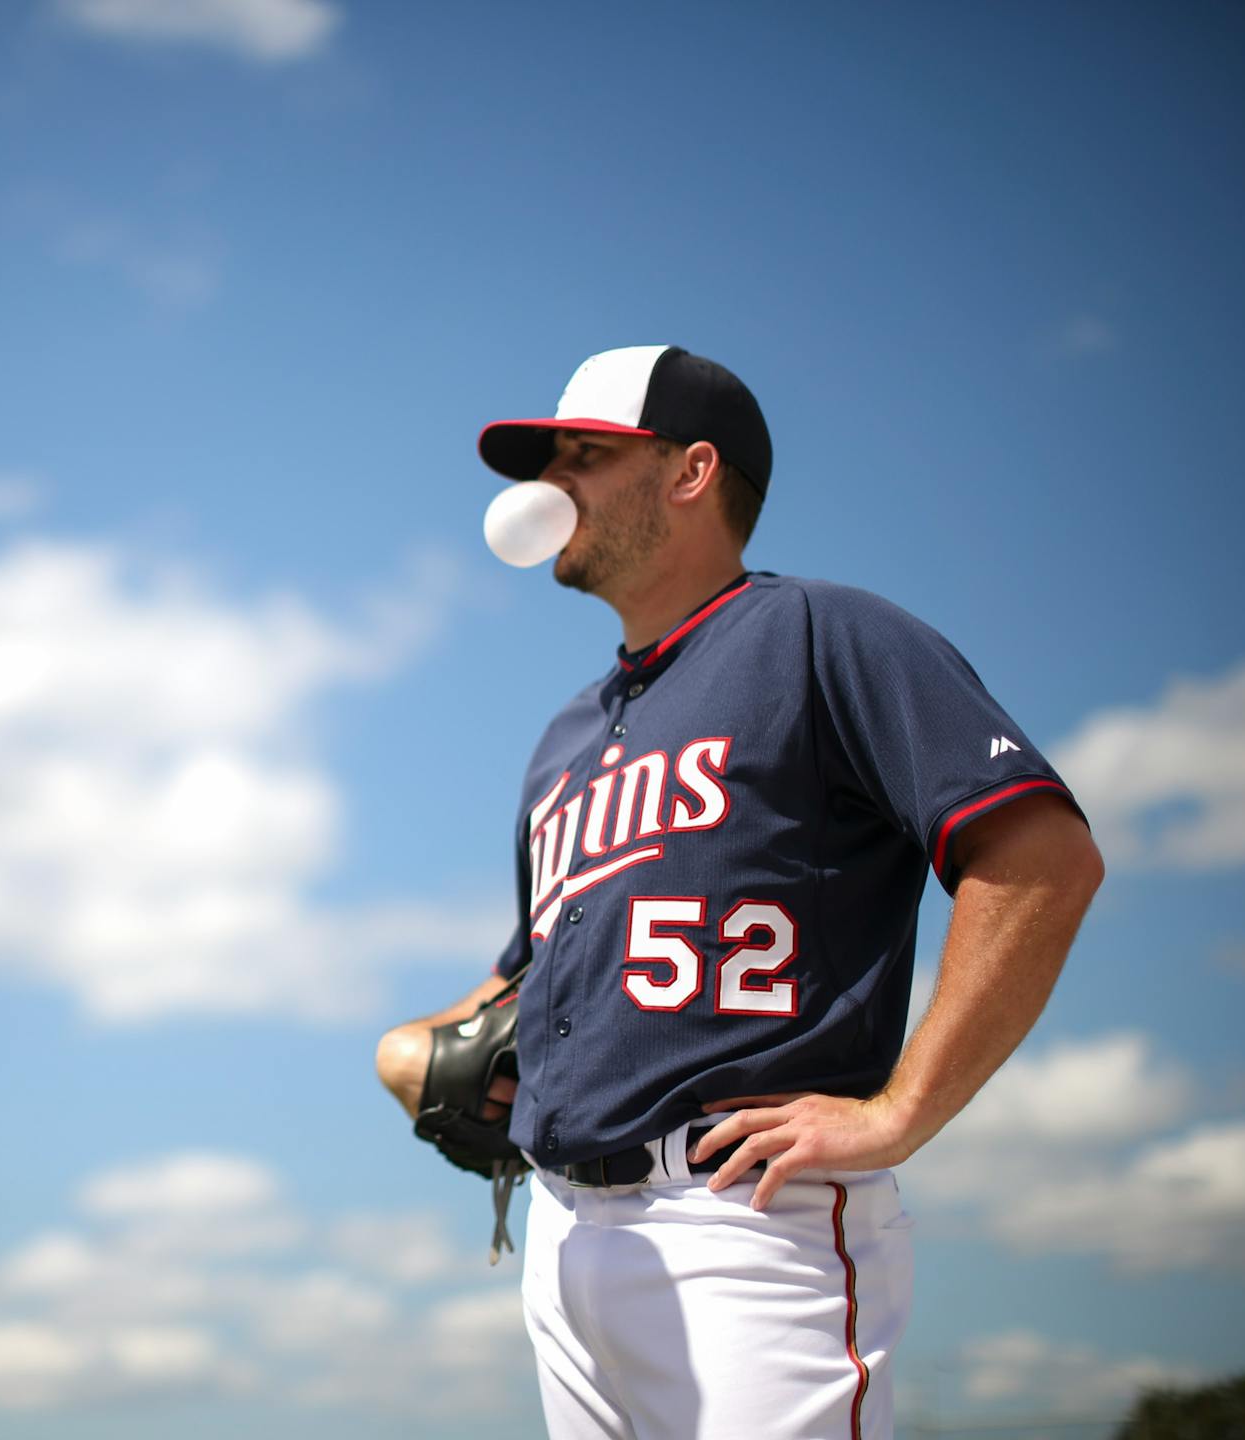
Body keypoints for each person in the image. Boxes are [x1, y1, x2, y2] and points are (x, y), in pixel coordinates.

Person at [375, 345, 1102, 1439]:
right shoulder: (566, 738)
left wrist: (901, 1111)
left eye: (583, 455)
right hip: (568, 1237)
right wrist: (425, 1043)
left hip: (746, 1221)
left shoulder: (822, 635)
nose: (546, 488)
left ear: (690, 471)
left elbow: (1043, 857)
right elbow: (528, 971)